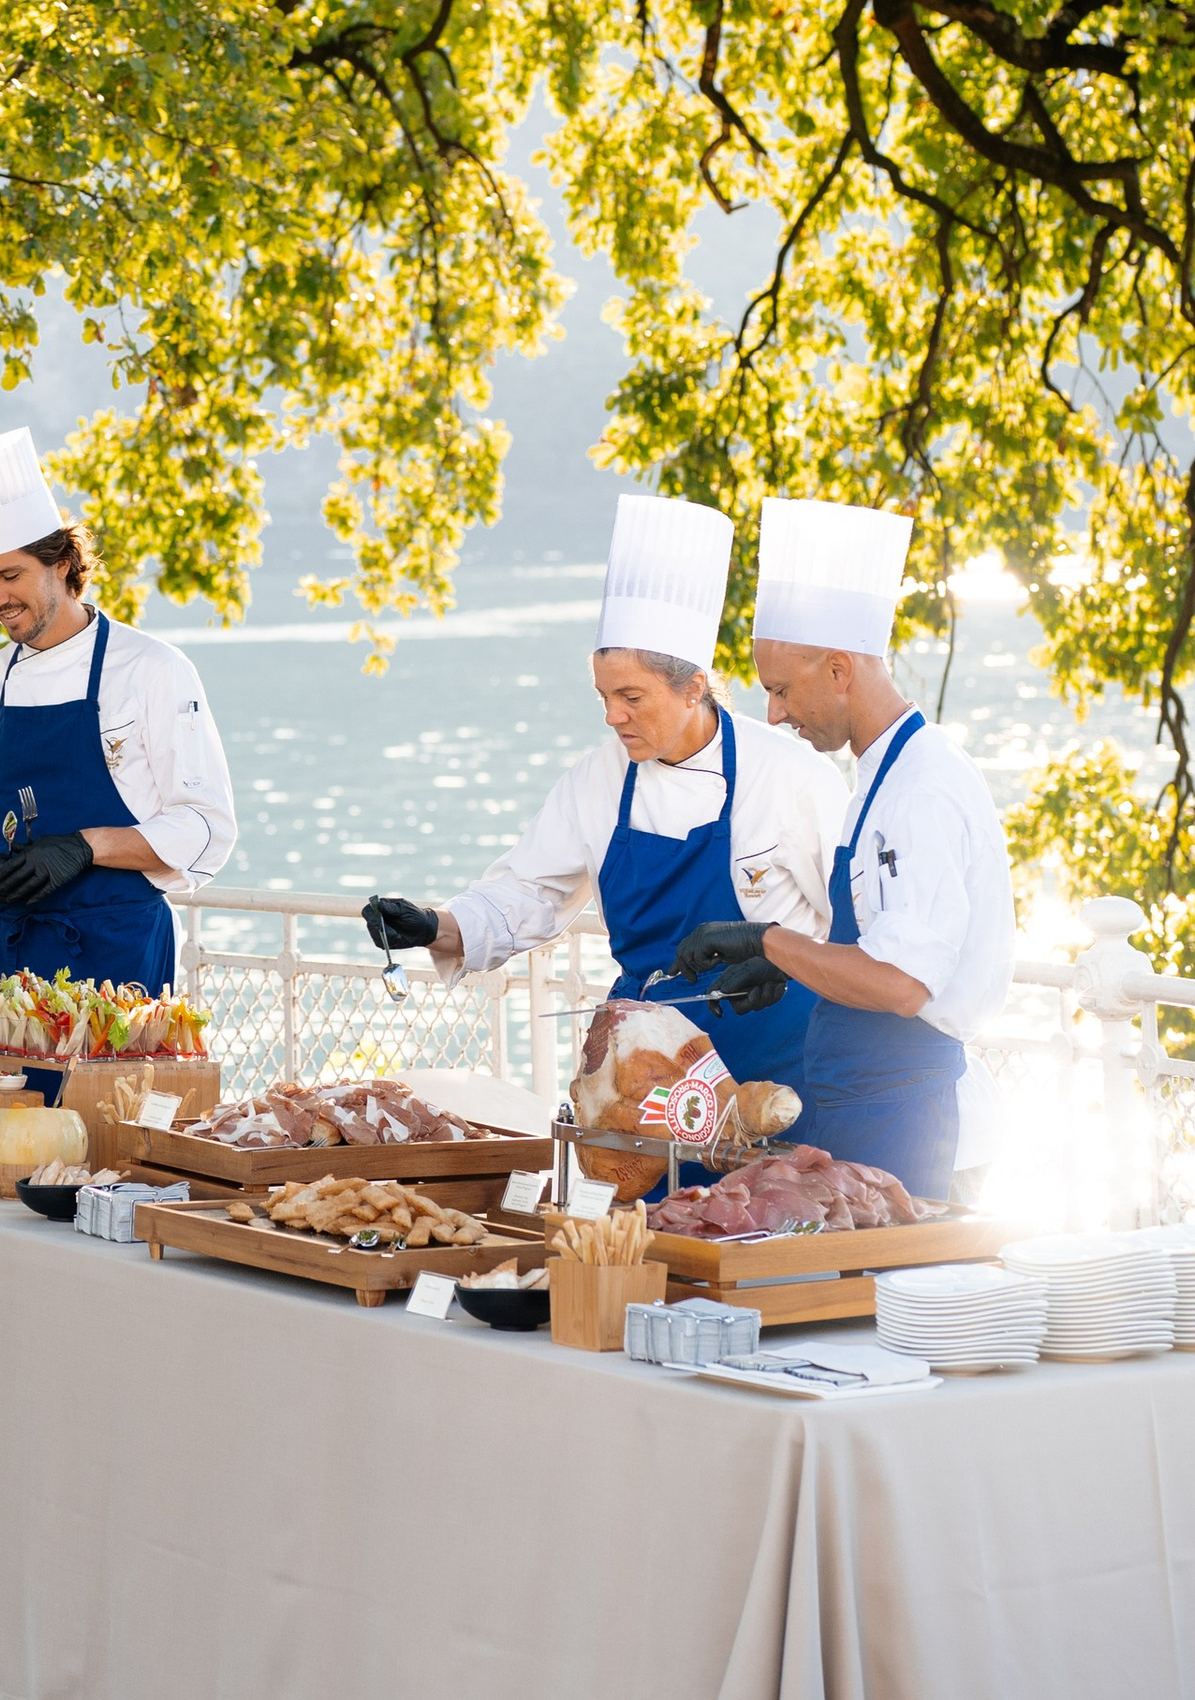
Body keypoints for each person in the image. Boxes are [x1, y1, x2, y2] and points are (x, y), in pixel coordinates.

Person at [359, 492, 843, 1096]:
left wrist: (784, 957)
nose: (613, 717)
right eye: (603, 697)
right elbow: (528, 894)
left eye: (631, 698)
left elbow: (857, 927)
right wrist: (435, 925)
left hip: (774, 1078)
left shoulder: (790, 774)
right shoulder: (596, 781)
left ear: (694, 687)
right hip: (642, 1088)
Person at [675, 496, 1016, 1202]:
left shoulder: (921, 790)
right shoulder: (875, 777)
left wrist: (768, 942)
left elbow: (900, 982)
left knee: (895, 1312)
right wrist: (800, 973)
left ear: (839, 670)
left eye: (780, 688)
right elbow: (878, 944)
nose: (771, 713)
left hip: (915, 1119)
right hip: (864, 1106)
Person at [0, 429, 237, 992]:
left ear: (64, 563)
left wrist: (86, 846)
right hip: (3, 956)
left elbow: (204, 823)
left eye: (10, 576)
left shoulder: (150, 669)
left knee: (106, 1087)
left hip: (119, 957)